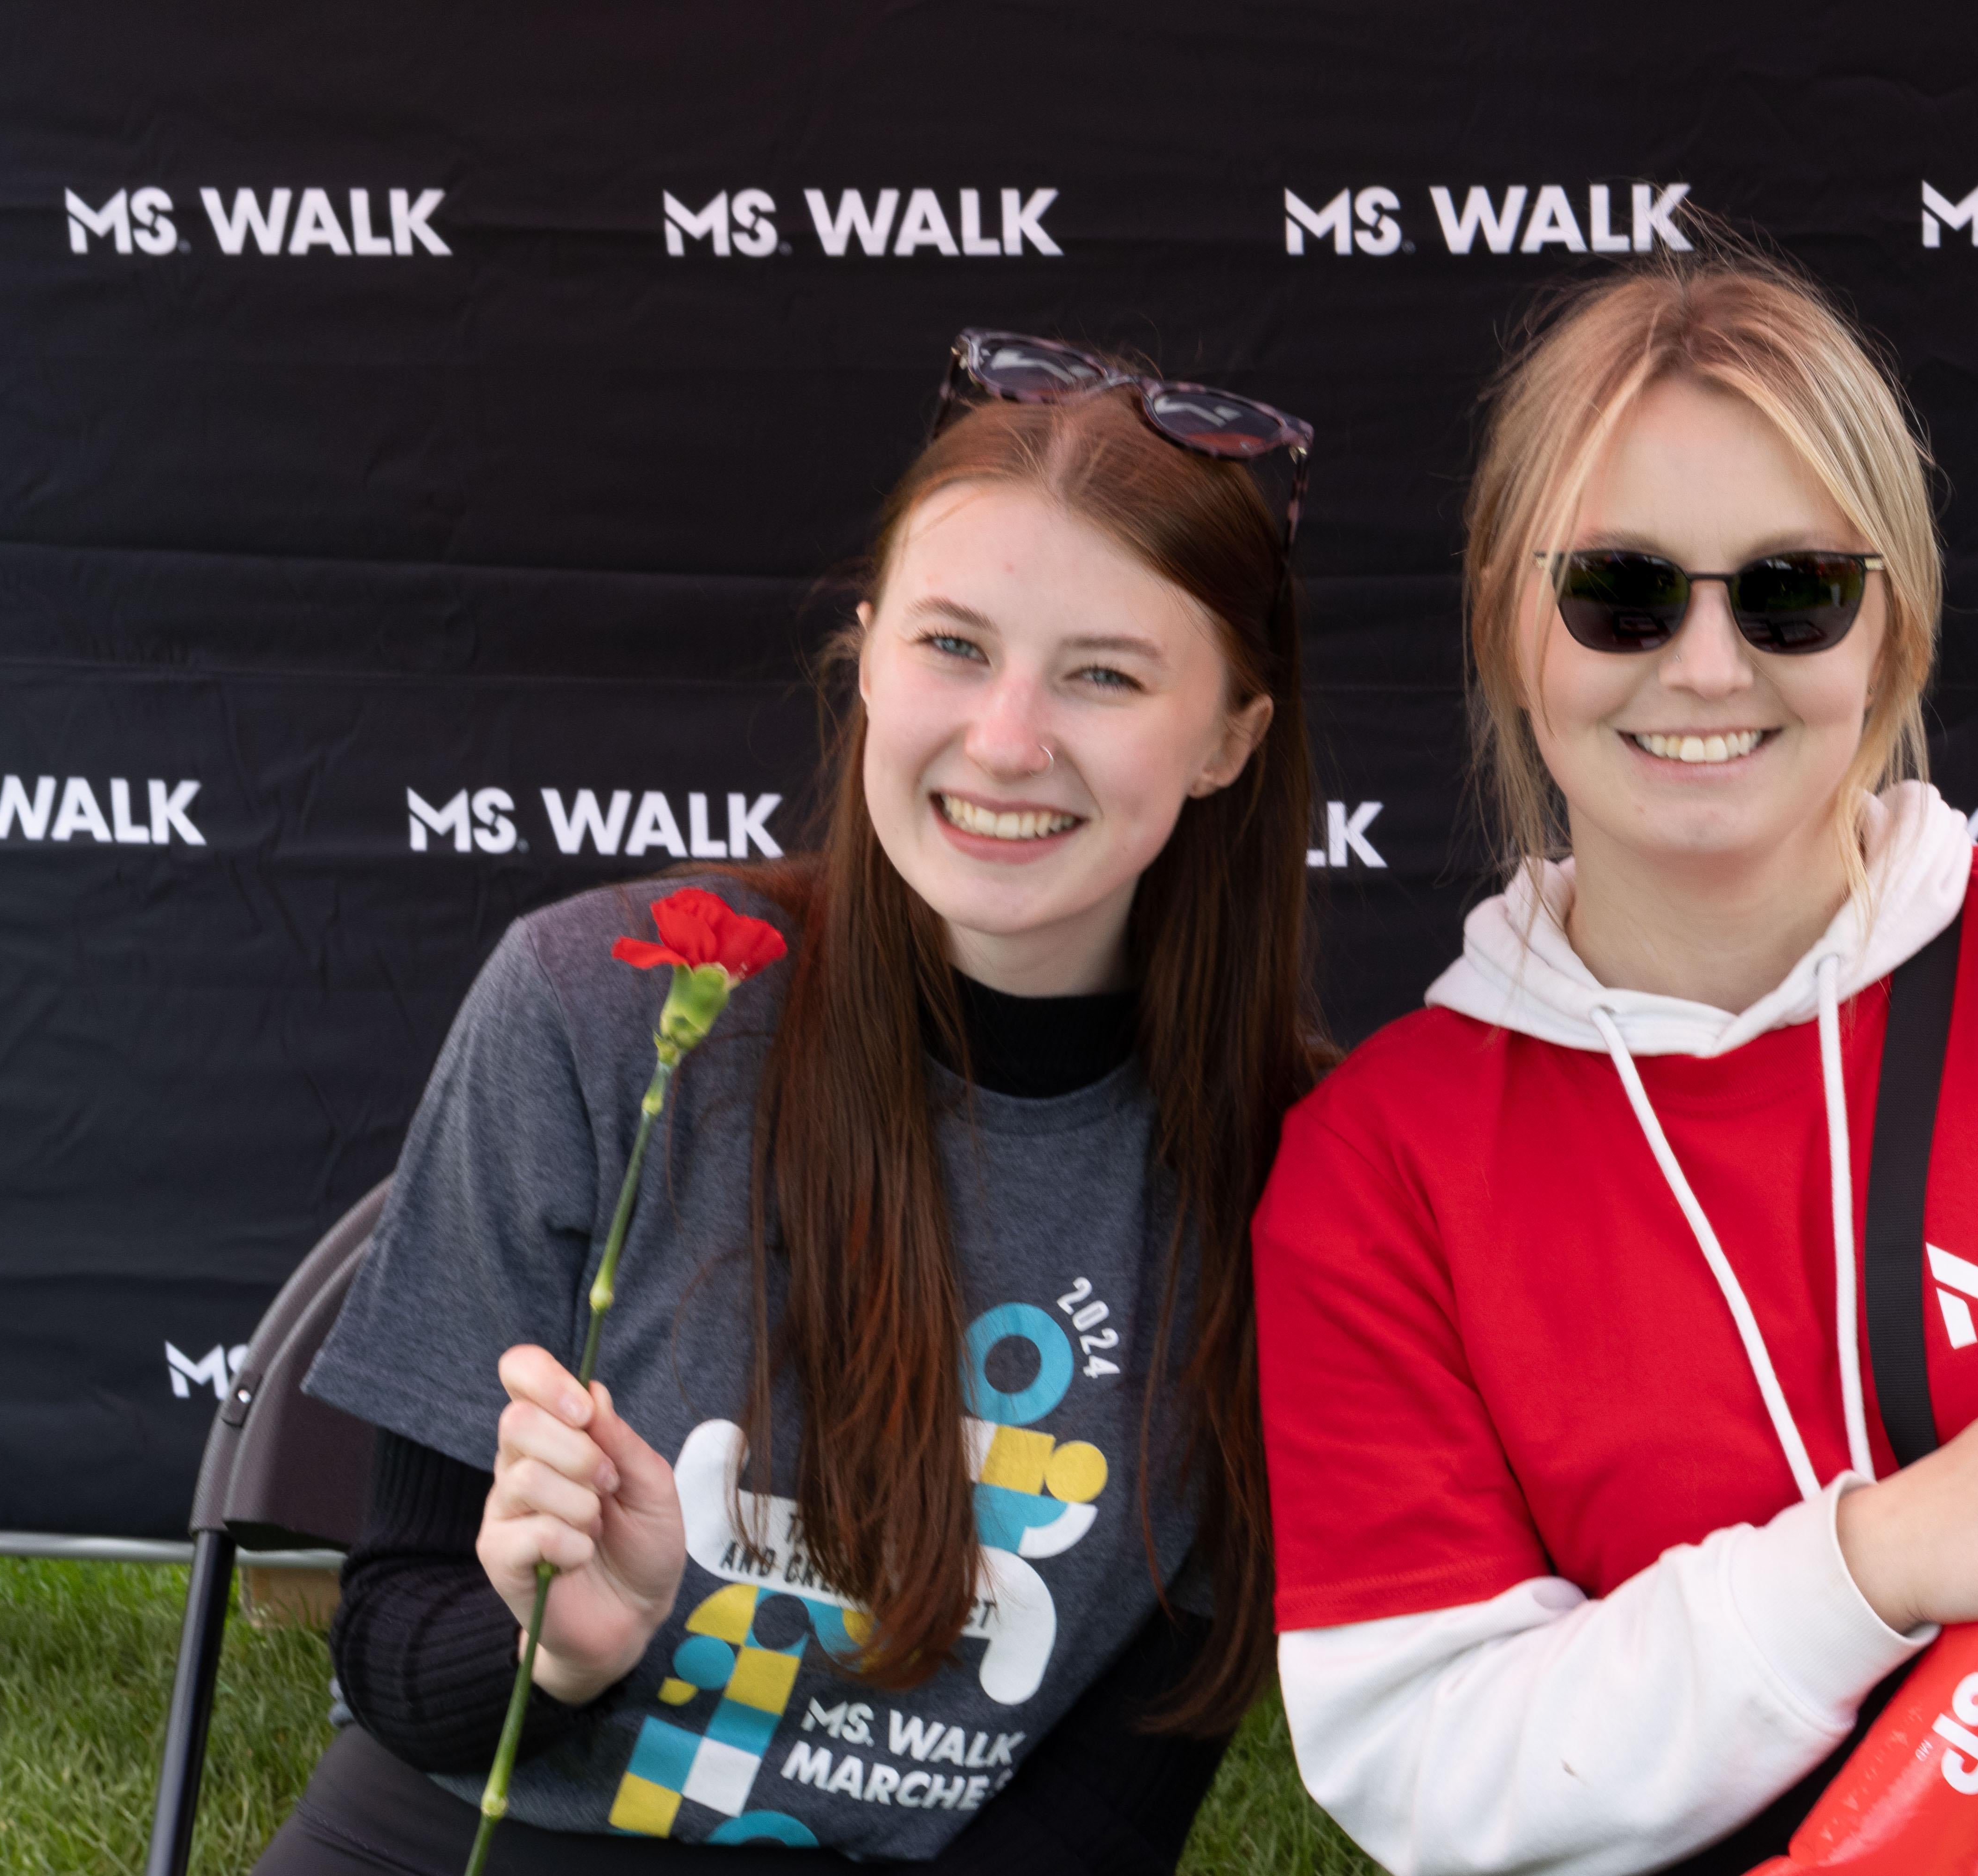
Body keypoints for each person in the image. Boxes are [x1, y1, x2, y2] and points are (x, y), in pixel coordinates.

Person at [1250, 253, 1978, 1876]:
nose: (1710, 666)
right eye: (1622, 591)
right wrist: (1869, 1564)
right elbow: (1433, 1754)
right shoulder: (1378, 1163)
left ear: (1893, 628)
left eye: (1792, 590)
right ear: (1508, 625)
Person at [262, 332, 1323, 1875]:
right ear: (869, 651)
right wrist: (571, 1643)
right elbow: (393, 1651)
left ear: (1231, 735)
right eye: (954, 646)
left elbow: (1116, 1795)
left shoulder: (1299, 1164)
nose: (1008, 738)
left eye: (1103, 674)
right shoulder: (601, 1002)